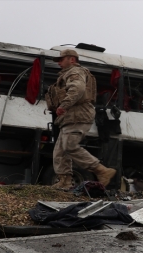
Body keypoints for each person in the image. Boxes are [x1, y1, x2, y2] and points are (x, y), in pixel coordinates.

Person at [47, 49, 116, 189]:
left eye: (61, 59)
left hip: (78, 114)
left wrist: (64, 105)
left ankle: (102, 171)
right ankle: (64, 181)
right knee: (60, 150)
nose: (59, 62)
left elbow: (77, 89)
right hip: (71, 116)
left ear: (72, 59)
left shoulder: (75, 72)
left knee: (69, 146)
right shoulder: (69, 73)